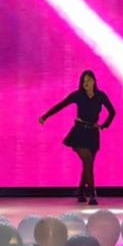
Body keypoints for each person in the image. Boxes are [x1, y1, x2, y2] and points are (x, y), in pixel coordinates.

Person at [40, 70, 116, 205]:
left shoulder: (101, 96)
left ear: (94, 81)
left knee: (88, 164)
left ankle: (80, 191)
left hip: (93, 133)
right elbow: (61, 105)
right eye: (83, 81)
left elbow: (112, 112)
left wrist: (104, 126)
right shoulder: (78, 95)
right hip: (79, 132)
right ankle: (92, 193)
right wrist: (45, 116)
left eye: (88, 80)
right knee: (87, 160)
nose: (86, 83)